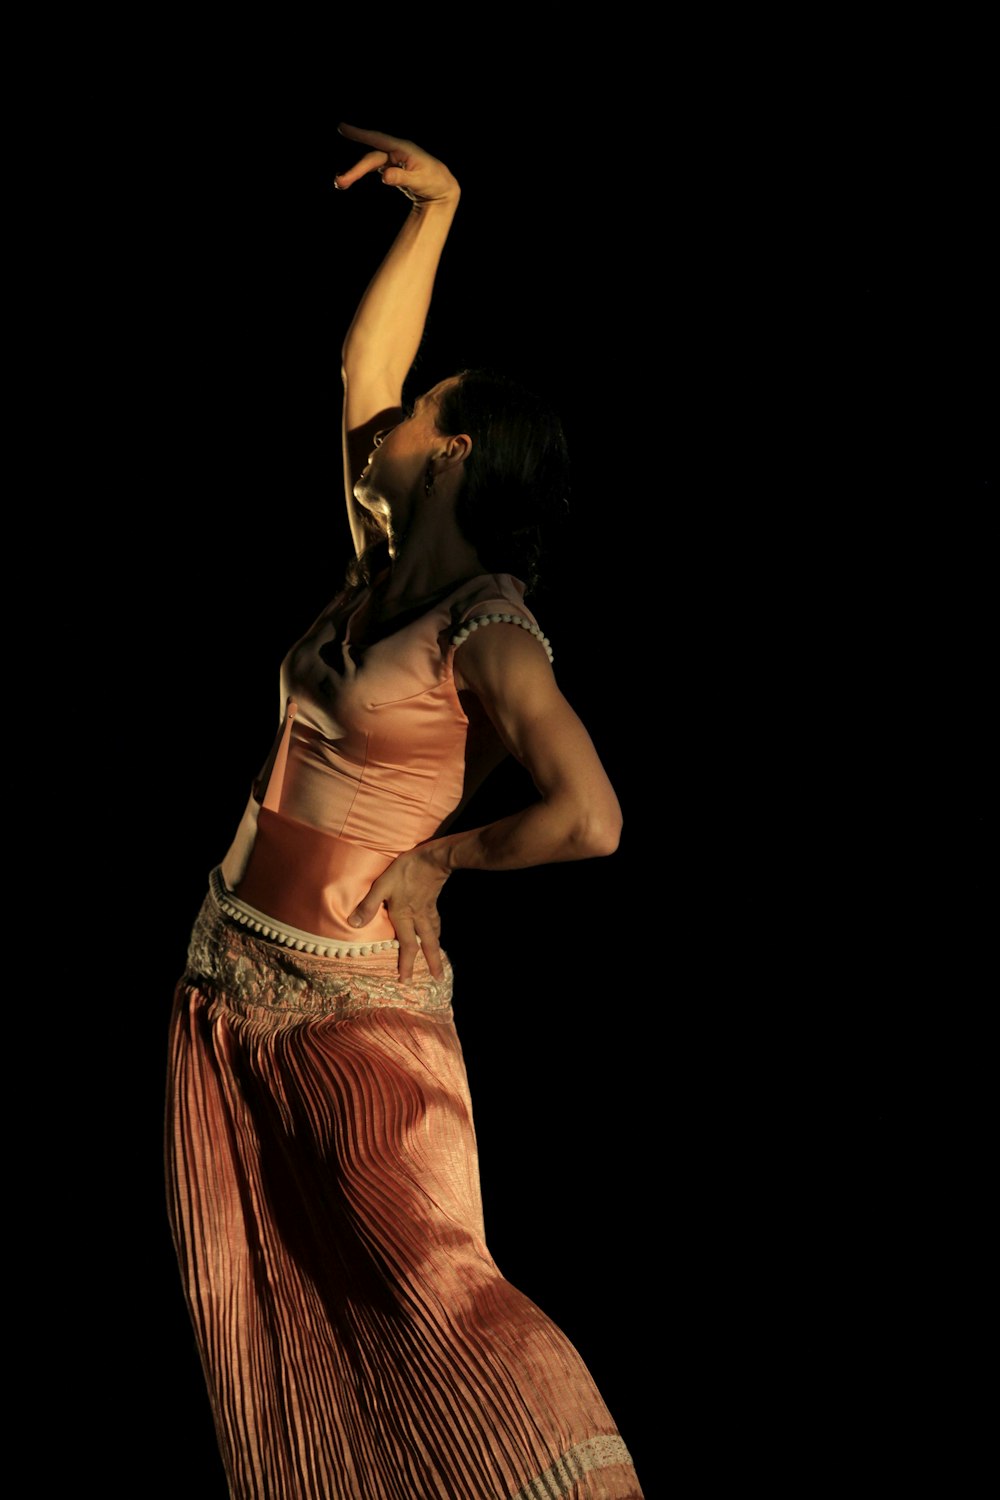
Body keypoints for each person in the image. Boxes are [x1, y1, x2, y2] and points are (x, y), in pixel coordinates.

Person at [165, 121, 642, 1499]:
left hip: (353, 1012)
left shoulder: (485, 628)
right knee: (266, 1331)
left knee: (443, 1306)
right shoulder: (381, 568)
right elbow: (359, 368)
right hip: (224, 990)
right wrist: (438, 214)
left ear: (455, 452)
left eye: (418, 414)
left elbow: (590, 815)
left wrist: (444, 857)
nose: (386, 417)